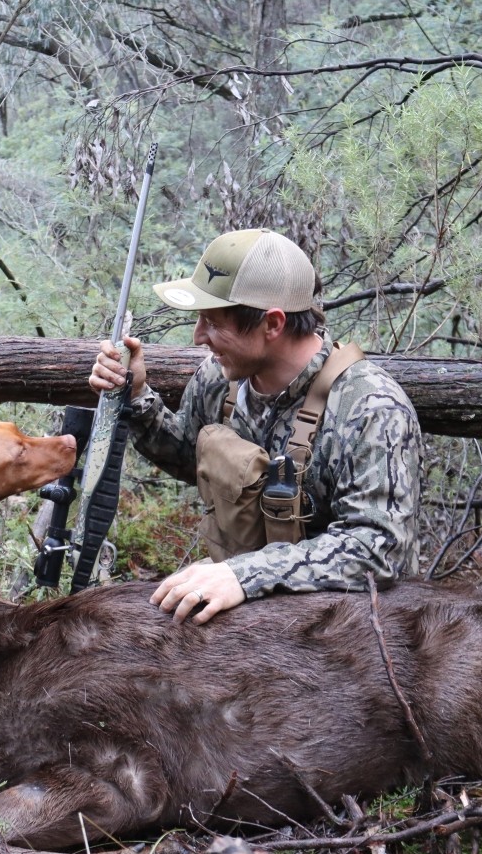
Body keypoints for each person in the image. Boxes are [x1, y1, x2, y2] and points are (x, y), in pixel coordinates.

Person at [89, 228, 422, 624]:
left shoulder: (369, 408)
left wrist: (243, 574)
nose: (198, 337)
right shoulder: (219, 378)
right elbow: (186, 456)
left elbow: (378, 549)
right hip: (252, 625)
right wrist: (138, 397)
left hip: (350, 634)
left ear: (273, 324)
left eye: (213, 322)